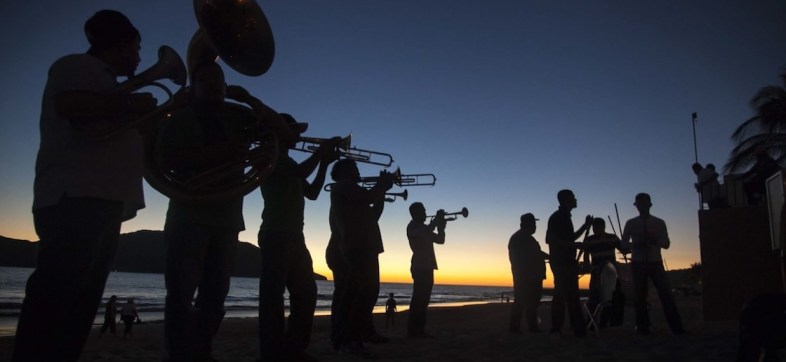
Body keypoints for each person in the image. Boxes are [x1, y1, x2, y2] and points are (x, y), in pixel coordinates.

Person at [13, 10, 158, 361]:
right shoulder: (78, 66)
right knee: (59, 295)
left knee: (82, 300)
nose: (140, 57)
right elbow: (72, 105)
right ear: (121, 46)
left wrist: (150, 119)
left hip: (101, 201)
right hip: (75, 195)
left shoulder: (108, 83)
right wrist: (131, 104)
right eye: (137, 48)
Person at [158, 61, 273, 361]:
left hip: (227, 220)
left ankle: (202, 351)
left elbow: (283, 135)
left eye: (218, 78)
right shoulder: (180, 118)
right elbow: (163, 159)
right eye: (205, 78)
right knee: (180, 296)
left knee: (215, 296)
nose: (213, 83)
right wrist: (220, 153)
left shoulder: (238, 119)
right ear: (192, 87)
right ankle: (180, 355)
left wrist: (248, 98)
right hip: (188, 216)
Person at [257, 116, 339, 362]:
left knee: (306, 293)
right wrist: (322, 153)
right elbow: (302, 171)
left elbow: (312, 193)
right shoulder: (269, 157)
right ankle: (272, 353)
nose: (297, 136)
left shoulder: (290, 161)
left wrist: (324, 163)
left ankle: (294, 348)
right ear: (279, 133)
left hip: (295, 235)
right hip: (276, 233)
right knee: (272, 298)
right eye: (292, 131)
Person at [329, 159, 394, 353]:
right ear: (343, 171)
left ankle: (348, 337)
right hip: (358, 246)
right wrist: (381, 185)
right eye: (354, 168)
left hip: (364, 245)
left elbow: (374, 214)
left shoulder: (353, 193)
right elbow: (370, 197)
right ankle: (350, 338)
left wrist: (381, 191)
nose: (358, 171)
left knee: (360, 292)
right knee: (365, 291)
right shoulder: (344, 186)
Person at [620, 193, 685, 335]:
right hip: (638, 263)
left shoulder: (659, 222)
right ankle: (643, 328)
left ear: (649, 204)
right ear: (636, 206)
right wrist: (636, 245)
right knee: (640, 297)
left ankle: (677, 328)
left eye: (643, 203)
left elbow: (666, 244)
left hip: (655, 263)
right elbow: (623, 244)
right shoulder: (631, 223)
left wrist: (655, 241)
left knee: (666, 295)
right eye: (639, 204)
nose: (641, 207)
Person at [546, 189, 592, 337]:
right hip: (561, 262)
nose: (576, 199)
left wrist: (585, 227)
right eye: (573, 197)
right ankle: (557, 328)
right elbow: (551, 240)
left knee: (572, 294)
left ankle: (577, 327)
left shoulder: (565, 217)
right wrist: (574, 245)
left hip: (567, 261)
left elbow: (570, 237)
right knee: (561, 294)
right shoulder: (557, 217)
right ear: (566, 200)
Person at [406, 202, 447, 338]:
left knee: (424, 300)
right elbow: (421, 233)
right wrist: (435, 222)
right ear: (416, 213)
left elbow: (440, 240)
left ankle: (420, 330)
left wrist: (441, 228)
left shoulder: (425, 228)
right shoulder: (413, 227)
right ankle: (413, 330)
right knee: (418, 298)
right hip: (419, 265)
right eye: (423, 211)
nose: (425, 213)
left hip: (428, 266)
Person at [508, 213, 548, 333]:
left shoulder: (525, 238)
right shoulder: (521, 238)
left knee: (530, 302)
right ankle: (519, 328)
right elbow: (533, 255)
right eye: (533, 224)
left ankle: (528, 327)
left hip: (528, 275)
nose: (535, 226)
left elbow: (537, 253)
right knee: (524, 302)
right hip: (527, 276)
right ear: (525, 224)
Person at [581, 218, 624, 328]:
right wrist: (586, 264)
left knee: (611, 298)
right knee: (594, 298)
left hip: (611, 273)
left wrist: (625, 247)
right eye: (594, 227)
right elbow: (585, 253)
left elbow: (623, 249)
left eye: (598, 227)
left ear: (603, 226)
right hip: (596, 272)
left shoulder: (612, 238)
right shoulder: (590, 239)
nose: (596, 229)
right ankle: (591, 322)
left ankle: (605, 323)